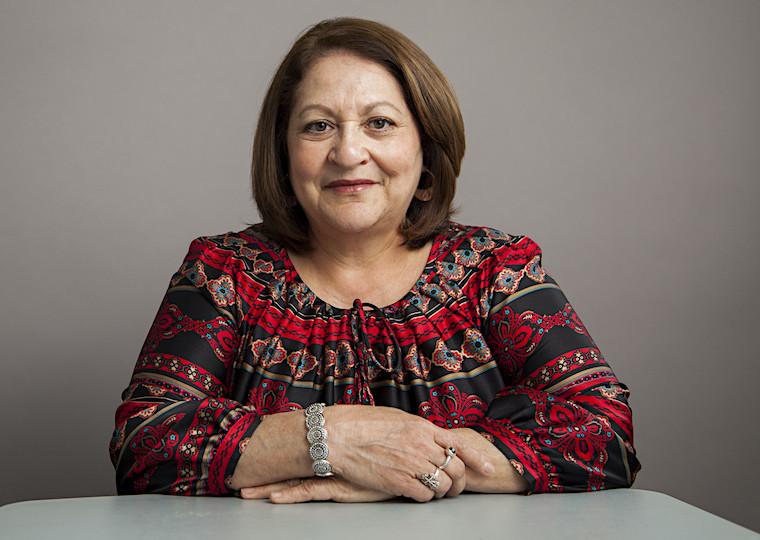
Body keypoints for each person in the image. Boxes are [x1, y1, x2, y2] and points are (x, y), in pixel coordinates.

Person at [109, 16, 640, 503]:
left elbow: (606, 432)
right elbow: (143, 445)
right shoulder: (224, 273)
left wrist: (406, 465)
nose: (347, 153)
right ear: (283, 154)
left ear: (426, 151)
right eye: (318, 126)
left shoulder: (494, 270)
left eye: (379, 123)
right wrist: (335, 439)